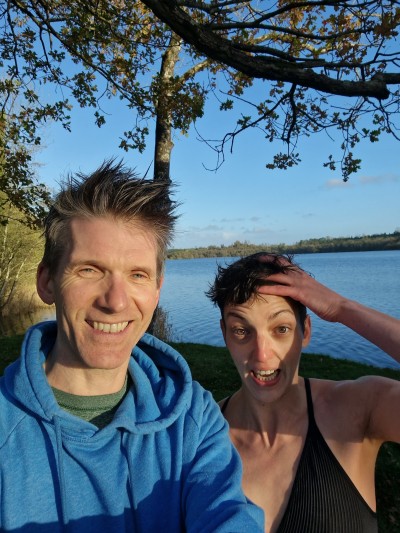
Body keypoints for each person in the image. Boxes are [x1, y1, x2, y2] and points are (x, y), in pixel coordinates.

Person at [0, 161, 264, 532]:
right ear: (47, 281)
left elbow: (229, 515)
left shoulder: (192, 416)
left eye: (137, 275)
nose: (116, 301)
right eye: (90, 270)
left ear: (157, 289)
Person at [206, 252, 400, 533]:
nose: (262, 355)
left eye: (281, 328)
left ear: (305, 331)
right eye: (241, 331)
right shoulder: (203, 437)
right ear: (225, 334)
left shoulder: (357, 410)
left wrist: (342, 308)